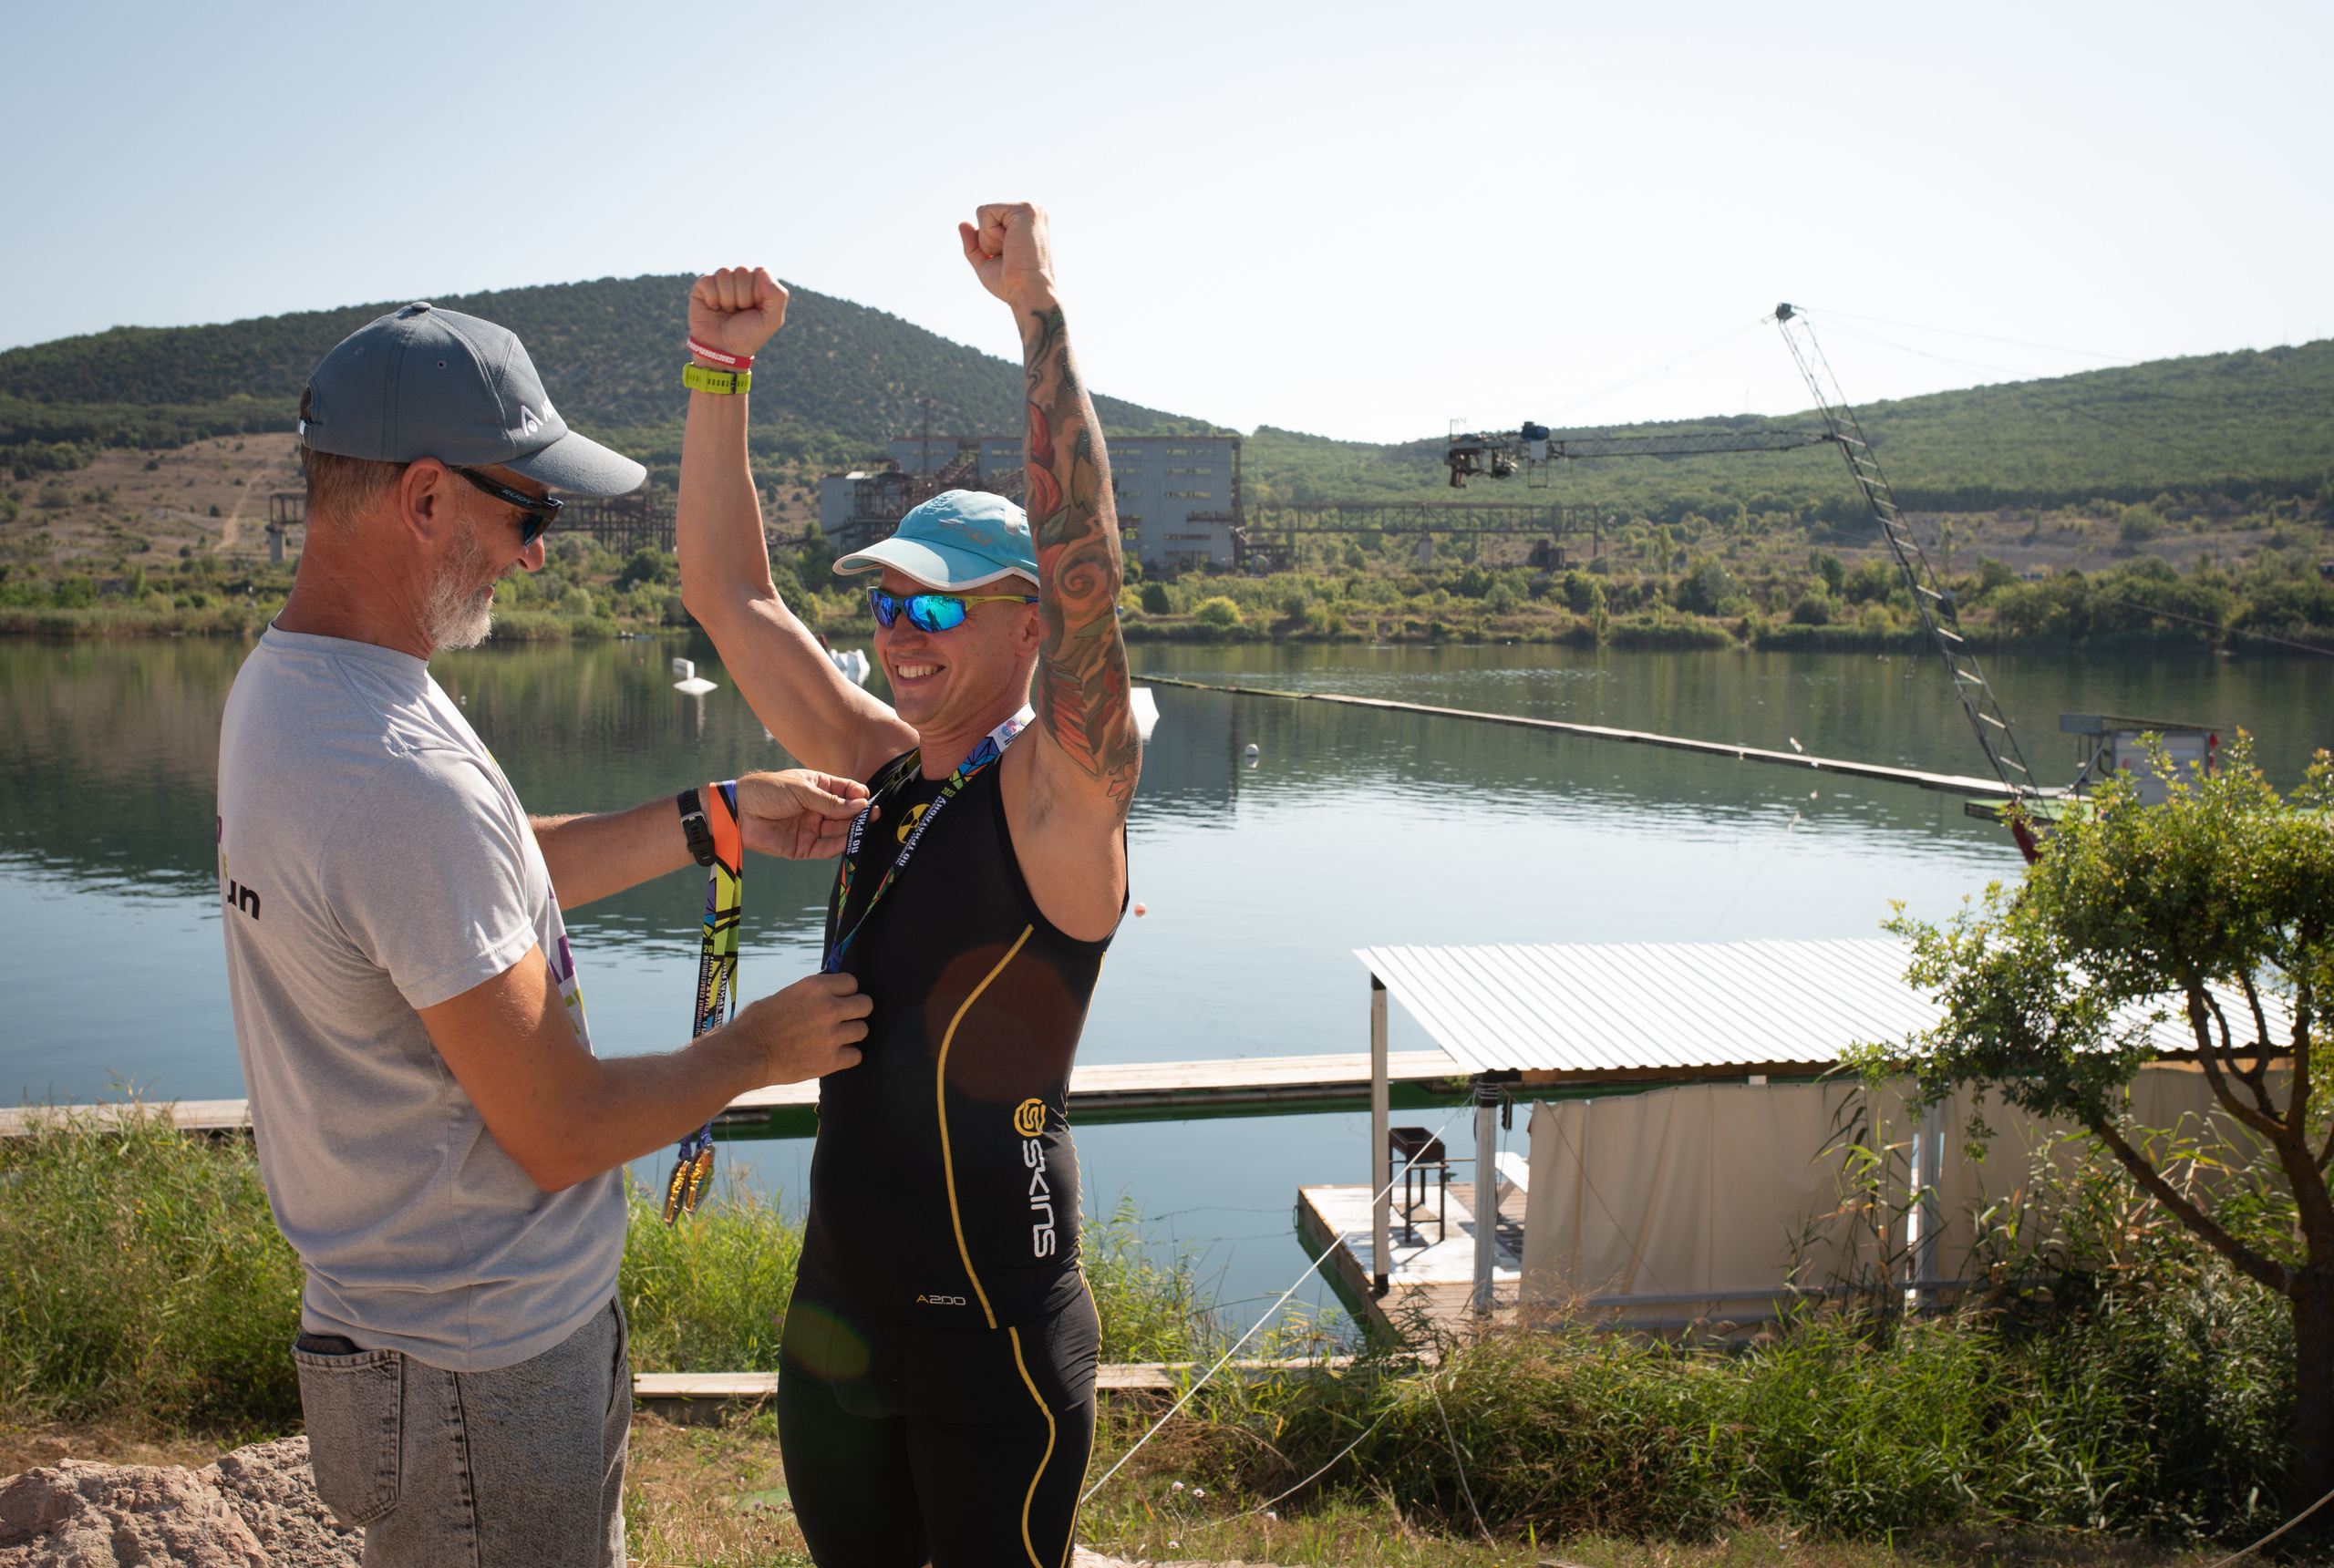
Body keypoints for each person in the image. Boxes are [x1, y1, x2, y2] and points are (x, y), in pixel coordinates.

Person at [217, 303, 874, 1568]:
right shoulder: (393, 772)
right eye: (528, 512)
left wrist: (712, 814)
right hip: (481, 1372)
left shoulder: (296, 689)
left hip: (414, 1329)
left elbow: (477, 894)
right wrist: (759, 1049)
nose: (533, 557)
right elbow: (562, 1129)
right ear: (423, 499)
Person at [676, 204, 1141, 1566]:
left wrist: (1037, 317)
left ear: (1025, 618)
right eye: (884, 603)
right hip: (839, 1319)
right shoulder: (884, 770)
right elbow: (731, 594)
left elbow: (1094, 585)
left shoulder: (1058, 806)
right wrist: (718, 367)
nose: (896, 633)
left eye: (934, 607)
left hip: (994, 1346)